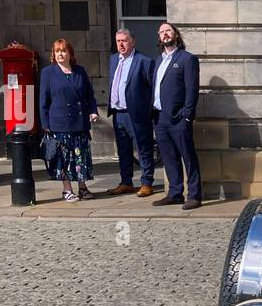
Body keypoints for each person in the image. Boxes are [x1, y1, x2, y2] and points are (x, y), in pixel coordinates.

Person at [39, 38, 99, 202]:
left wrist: (93, 111)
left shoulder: (80, 71)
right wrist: (45, 124)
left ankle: (83, 187)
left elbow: (89, 95)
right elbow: (43, 101)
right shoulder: (48, 73)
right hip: (59, 123)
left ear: (70, 53)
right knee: (64, 159)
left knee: (80, 157)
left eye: (63, 51)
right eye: (57, 51)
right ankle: (67, 190)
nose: (60, 54)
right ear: (53, 54)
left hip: (79, 122)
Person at [152, 21, 202, 210]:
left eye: (168, 31)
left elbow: (192, 89)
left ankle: (195, 195)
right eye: (161, 31)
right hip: (160, 117)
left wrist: (187, 115)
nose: (164, 34)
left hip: (179, 118)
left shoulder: (187, 59)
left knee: (188, 157)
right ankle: (175, 193)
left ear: (176, 35)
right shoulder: (158, 60)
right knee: (169, 158)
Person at [107, 28, 156, 198]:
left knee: (143, 148)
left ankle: (147, 182)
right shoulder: (113, 60)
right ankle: (126, 182)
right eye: (118, 41)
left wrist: (149, 113)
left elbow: (151, 90)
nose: (121, 44)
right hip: (118, 113)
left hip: (136, 114)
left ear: (132, 42)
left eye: (124, 40)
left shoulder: (144, 61)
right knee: (123, 150)